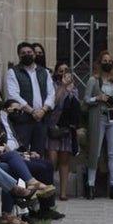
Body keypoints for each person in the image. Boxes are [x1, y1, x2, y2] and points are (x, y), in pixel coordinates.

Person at [0, 90, 61, 221]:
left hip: (6, 155)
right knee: (15, 165)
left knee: (44, 164)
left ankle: (34, 205)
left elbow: (11, 141)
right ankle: (28, 190)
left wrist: (25, 153)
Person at [84, 51, 113, 200]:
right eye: (104, 61)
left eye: (110, 61)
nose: (107, 63)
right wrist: (98, 98)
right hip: (99, 116)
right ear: (99, 63)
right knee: (95, 151)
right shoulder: (93, 80)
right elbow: (86, 99)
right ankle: (90, 185)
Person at [4, 41, 55, 154]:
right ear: (19, 56)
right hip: (23, 120)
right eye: (23, 53)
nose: (26, 54)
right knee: (22, 152)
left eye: (29, 52)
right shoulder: (13, 72)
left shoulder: (44, 72)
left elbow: (51, 94)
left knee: (38, 153)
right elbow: (14, 95)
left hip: (41, 120)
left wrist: (43, 110)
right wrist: (32, 111)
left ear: (34, 54)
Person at [46, 62, 82, 201]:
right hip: (53, 126)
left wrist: (71, 91)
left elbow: (76, 108)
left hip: (66, 128)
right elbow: (54, 102)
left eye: (65, 71)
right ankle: (49, 191)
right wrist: (62, 86)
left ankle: (63, 193)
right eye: (60, 71)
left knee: (64, 161)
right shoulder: (53, 86)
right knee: (51, 160)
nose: (63, 74)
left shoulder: (74, 89)